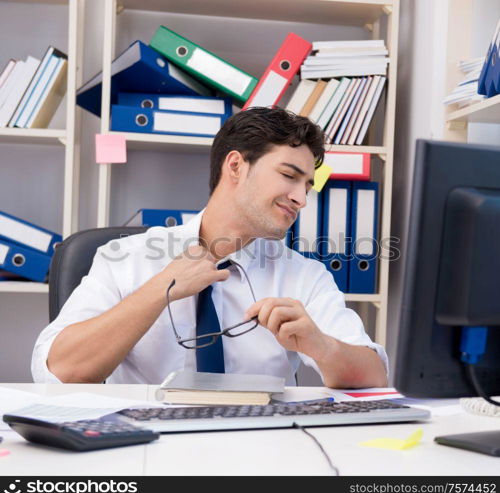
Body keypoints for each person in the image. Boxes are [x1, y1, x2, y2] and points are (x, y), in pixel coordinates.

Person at [32, 107, 388, 387]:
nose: (301, 199)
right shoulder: (125, 257)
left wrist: (319, 344)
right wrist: (160, 289)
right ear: (235, 166)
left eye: (307, 185)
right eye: (289, 176)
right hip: (146, 449)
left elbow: (374, 377)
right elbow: (61, 371)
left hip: (258, 451)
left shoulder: (304, 276)